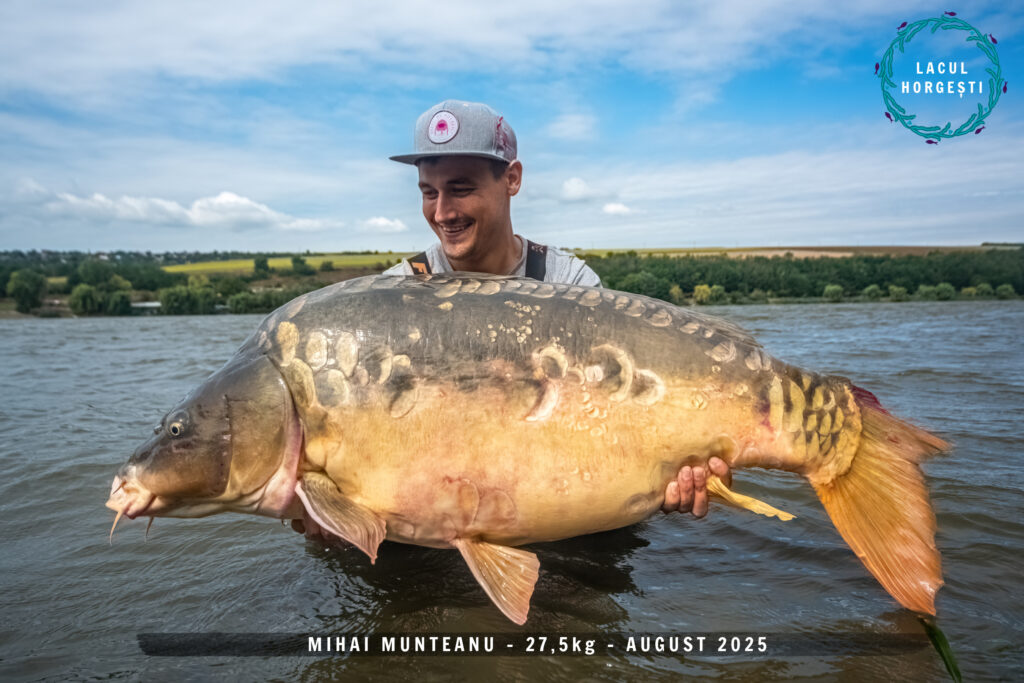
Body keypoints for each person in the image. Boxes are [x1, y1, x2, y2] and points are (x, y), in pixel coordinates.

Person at [292, 100, 729, 541]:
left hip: (560, 519)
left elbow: (620, 412)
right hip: (434, 523)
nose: (442, 212)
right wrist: (333, 509)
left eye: (460, 189)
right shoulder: (392, 296)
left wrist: (669, 472)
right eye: (429, 192)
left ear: (512, 179)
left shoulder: (570, 284)